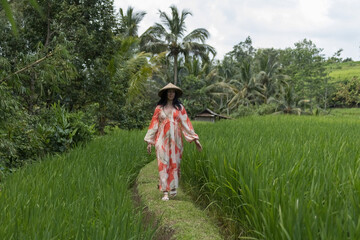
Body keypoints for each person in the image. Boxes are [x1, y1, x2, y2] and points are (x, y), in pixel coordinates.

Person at [144, 83, 202, 201]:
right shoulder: (159, 108)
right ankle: (165, 191)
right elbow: (154, 125)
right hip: (161, 139)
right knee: (163, 163)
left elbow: (186, 124)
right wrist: (150, 142)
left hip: (176, 141)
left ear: (175, 94)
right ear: (165, 94)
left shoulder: (179, 108)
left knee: (175, 163)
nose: (171, 94)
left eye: (173, 92)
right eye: (169, 92)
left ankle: (174, 188)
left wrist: (195, 139)